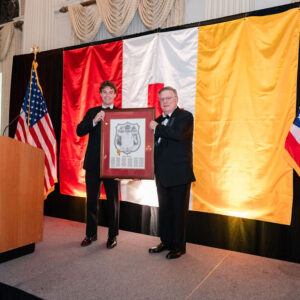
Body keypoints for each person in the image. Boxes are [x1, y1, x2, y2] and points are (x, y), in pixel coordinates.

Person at [149, 86, 196, 259]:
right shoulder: (159, 119)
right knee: (165, 211)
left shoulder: (185, 116)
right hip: (161, 175)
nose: (165, 102)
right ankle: (166, 241)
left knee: (178, 212)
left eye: (168, 98)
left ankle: (179, 247)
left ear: (176, 99)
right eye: (162, 99)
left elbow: (177, 135)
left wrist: (156, 127)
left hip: (179, 175)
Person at [76, 80, 120, 249]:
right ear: (100, 94)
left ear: (115, 95)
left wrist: (124, 169)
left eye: (111, 92)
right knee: (91, 201)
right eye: (105, 92)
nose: (107, 95)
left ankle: (112, 236)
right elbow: (79, 131)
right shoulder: (92, 112)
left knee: (113, 202)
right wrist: (94, 121)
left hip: (113, 165)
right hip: (93, 164)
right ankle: (91, 234)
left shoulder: (122, 114)